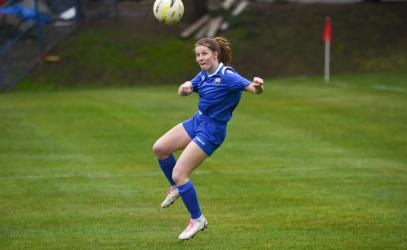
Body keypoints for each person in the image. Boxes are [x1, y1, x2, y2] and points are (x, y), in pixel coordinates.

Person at [152, 37, 264, 240]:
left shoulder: (228, 76)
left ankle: (197, 219)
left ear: (215, 54)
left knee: (180, 173)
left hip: (212, 131)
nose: (200, 58)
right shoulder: (204, 74)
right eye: (197, 55)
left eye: (204, 54)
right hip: (197, 121)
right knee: (160, 148)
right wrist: (184, 88)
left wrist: (258, 85)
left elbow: (254, 89)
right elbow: (186, 88)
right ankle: (176, 187)